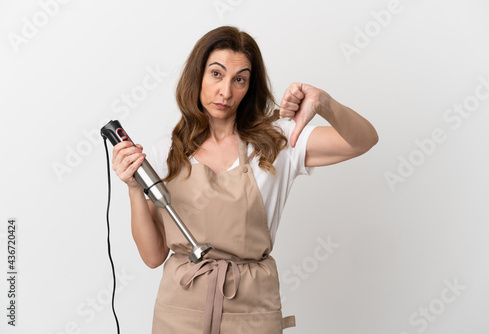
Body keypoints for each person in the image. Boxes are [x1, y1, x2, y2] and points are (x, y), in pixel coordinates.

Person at [112, 26, 378, 333]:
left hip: (252, 310)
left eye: (239, 79)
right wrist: (134, 188)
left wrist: (324, 103)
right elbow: (153, 256)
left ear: (250, 86)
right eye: (216, 74)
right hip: (180, 310)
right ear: (197, 76)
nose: (226, 91)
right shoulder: (166, 152)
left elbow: (363, 141)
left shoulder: (277, 143)